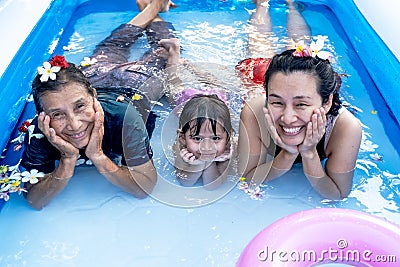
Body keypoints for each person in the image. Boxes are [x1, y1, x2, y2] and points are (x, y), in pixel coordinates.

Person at [20, 0, 177, 210]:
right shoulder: (40, 133)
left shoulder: (124, 119)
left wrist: (98, 157)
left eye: (79, 107)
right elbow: (34, 201)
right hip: (93, 78)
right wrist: (67, 160)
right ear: (42, 116)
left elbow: (144, 188)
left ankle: (154, 6)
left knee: (164, 49)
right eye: (57, 115)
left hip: (133, 83)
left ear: (92, 96)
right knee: (112, 45)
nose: (74, 125)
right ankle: (153, 6)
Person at [237, 0, 362, 200]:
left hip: (297, 82)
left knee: (300, 44)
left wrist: (310, 154)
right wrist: (287, 155)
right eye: (276, 102)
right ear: (267, 96)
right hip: (265, 76)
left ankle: (292, 5)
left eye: (301, 105)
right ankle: (261, 3)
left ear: (327, 102)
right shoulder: (254, 112)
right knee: (259, 45)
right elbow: (246, 177)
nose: (287, 118)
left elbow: (338, 193)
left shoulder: (345, 128)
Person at [157, 38, 235, 189]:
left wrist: (208, 162)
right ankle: (174, 53)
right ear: (182, 137)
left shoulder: (228, 147)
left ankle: (188, 65)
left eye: (216, 138)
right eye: (198, 138)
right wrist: (197, 165)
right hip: (186, 103)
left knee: (215, 84)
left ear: (228, 137)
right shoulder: (180, 145)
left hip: (218, 101)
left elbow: (212, 186)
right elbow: (186, 182)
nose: (207, 146)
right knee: (172, 84)